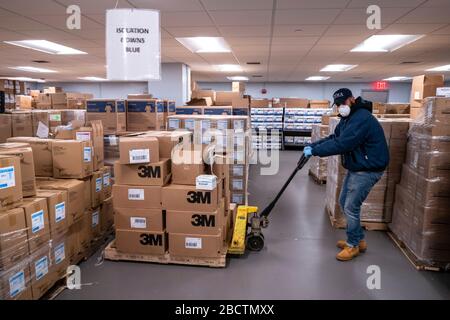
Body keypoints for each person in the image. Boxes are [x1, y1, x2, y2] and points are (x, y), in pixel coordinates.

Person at [304, 88, 389, 261]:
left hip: (368, 169)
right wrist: (313, 146)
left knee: (351, 206)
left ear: (351, 100)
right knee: (344, 202)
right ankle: (358, 240)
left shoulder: (361, 119)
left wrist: (316, 151)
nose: (340, 107)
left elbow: (343, 144)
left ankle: (353, 246)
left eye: (343, 103)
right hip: (358, 167)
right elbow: (335, 138)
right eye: (338, 105)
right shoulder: (348, 119)